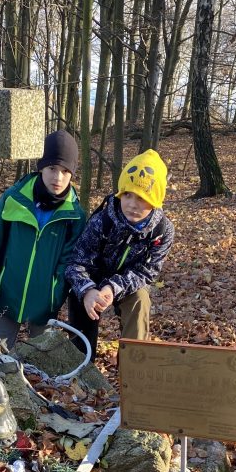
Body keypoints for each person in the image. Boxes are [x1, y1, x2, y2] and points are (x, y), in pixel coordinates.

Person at [65, 149, 174, 356]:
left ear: (155, 201)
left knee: (140, 300)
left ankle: (135, 368)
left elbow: (147, 272)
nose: (132, 204)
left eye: (142, 198)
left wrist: (113, 287)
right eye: (127, 195)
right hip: (93, 279)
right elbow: (76, 262)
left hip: (129, 282)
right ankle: (81, 366)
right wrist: (87, 290)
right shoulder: (103, 220)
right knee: (78, 297)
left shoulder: (162, 231)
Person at [0, 130, 86, 349]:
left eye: (65, 171)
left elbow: (68, 262)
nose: (57, 177)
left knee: (40, 362)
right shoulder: (14, 199)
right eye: (52, 168)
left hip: (45, 303)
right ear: (41, 166)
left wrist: (55, 296)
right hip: (8, 295)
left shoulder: (75, 215)